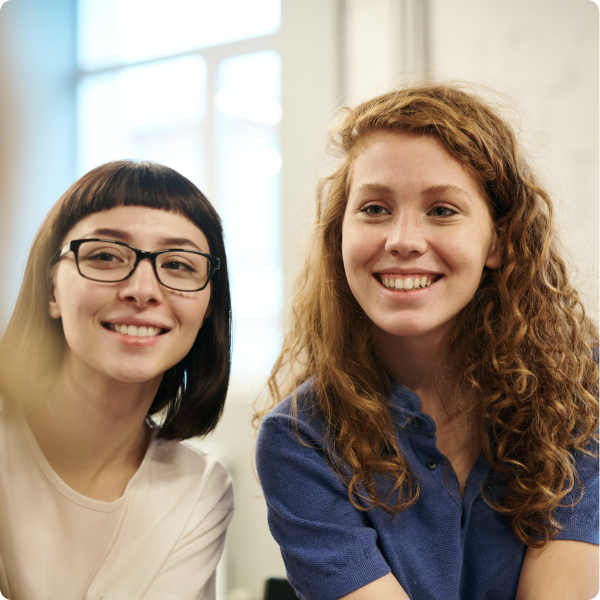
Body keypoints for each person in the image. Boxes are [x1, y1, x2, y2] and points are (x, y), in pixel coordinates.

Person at [254, 84, 600, 600]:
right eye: (374, 209)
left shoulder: (583, 391)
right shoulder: (301, 440)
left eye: (442, 210)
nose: (403, 240)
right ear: (340, 236)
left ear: (499, 241)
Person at [0, 160, 233, 600]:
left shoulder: (199, 488)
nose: (142, 290)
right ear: (52, 291)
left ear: (206, 310)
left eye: (179, 264)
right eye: (105, 256)